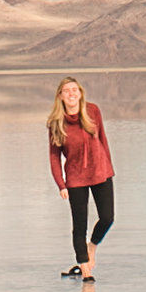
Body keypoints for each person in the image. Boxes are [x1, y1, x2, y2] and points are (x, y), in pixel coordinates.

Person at [46, 76, 115, 280]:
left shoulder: (92, 111)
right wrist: (61, 184)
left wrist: (108, 167)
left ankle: (91, 246)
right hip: (76, 178)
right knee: (79, 226)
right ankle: (85, 271)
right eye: (67, 91)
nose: (71, 93)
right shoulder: (56, 122)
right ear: (60, 96)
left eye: (75, 90)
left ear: (80, 93)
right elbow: (54, 156)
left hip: (100, 172)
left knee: (107, 218)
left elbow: (103, 139)